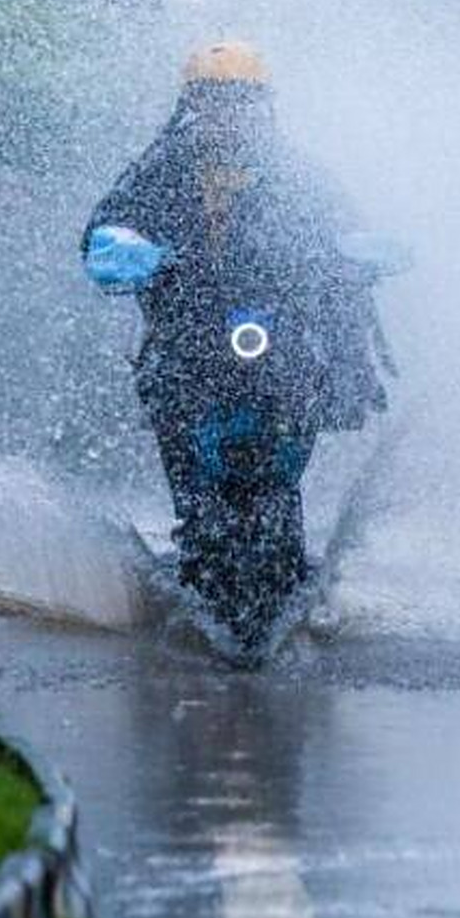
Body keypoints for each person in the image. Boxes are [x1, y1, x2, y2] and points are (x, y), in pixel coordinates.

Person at [82, 42, 391, 643]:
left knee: (305, 401)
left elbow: (352, 229)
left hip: (279, 353)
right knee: (171, 408)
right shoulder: (161, 169)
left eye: (241, 102)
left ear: (262, 107)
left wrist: (362, 253)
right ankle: (195, 538)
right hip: (187, 350)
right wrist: (126, 252)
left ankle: (286, 561)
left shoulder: (296, 172)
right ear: (192, 105)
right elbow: (103, 228)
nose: (228, 115)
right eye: (215, 101)